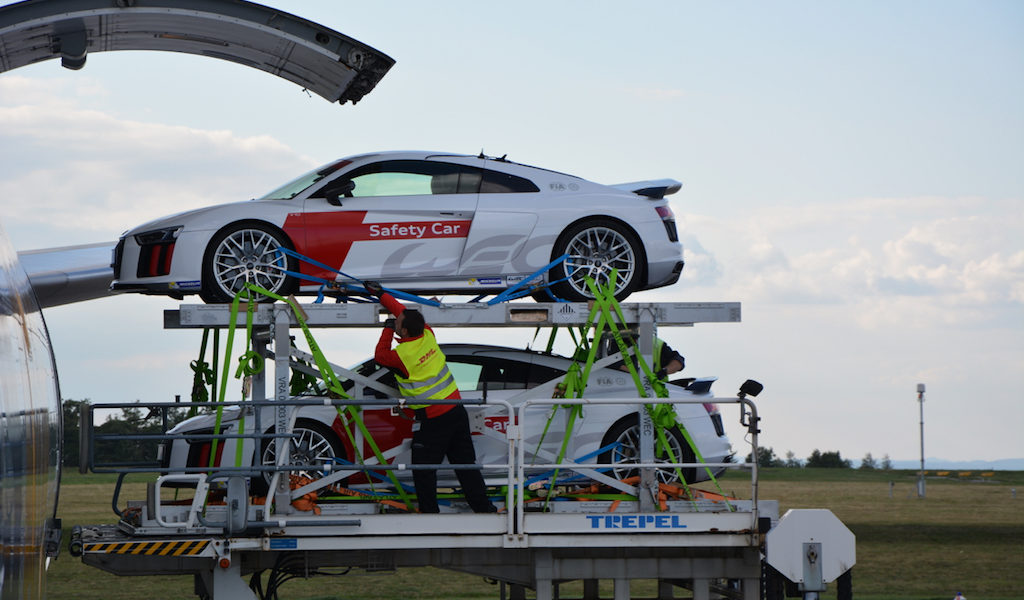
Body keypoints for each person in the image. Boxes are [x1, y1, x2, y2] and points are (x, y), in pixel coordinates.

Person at [365, 281, 496, 514]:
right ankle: (484, 508)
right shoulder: (427, 334)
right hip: (456, 410)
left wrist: (386, 328)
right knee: (466, 466)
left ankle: (429, 513)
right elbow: (402, 312)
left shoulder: (402, 356)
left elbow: (380, 355)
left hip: (434, 419)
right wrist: (381, 294)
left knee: (423, 468)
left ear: (403, 332)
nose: (396, 321)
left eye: (397, 324)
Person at [608, 332, 684, 380]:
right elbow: (612, 364)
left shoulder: (655, 344)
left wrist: (664, 372)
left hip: (657, 394)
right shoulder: (613, 343)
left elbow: (678, 362)